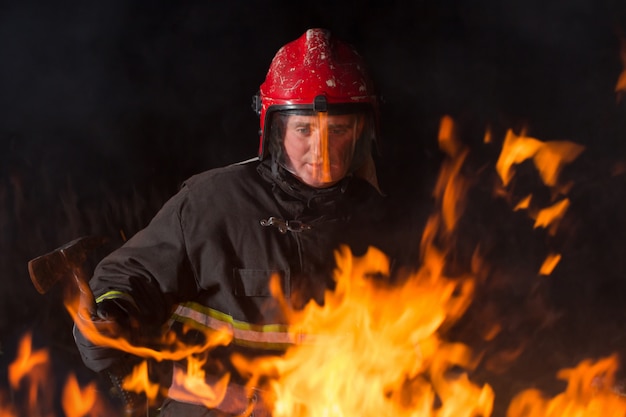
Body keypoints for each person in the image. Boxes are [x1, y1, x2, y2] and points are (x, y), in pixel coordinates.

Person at [74, 28, 400, 417]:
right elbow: (123, 281)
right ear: (275, 129)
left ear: (362, 133)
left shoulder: (380, 221)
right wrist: (109, 316)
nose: (321, 151)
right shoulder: (211, 203)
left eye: (339, 130)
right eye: (304, 129)